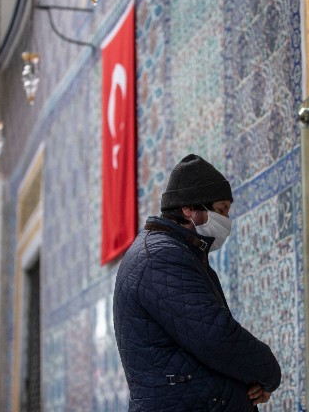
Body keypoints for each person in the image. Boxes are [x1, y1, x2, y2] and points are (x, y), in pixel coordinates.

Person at [113, 154, 281, 411]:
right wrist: (268, 372)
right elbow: (215, 336)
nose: (227, 219)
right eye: (221, 209)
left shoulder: (177, 252)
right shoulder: (160, 257)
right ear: (189, 210)